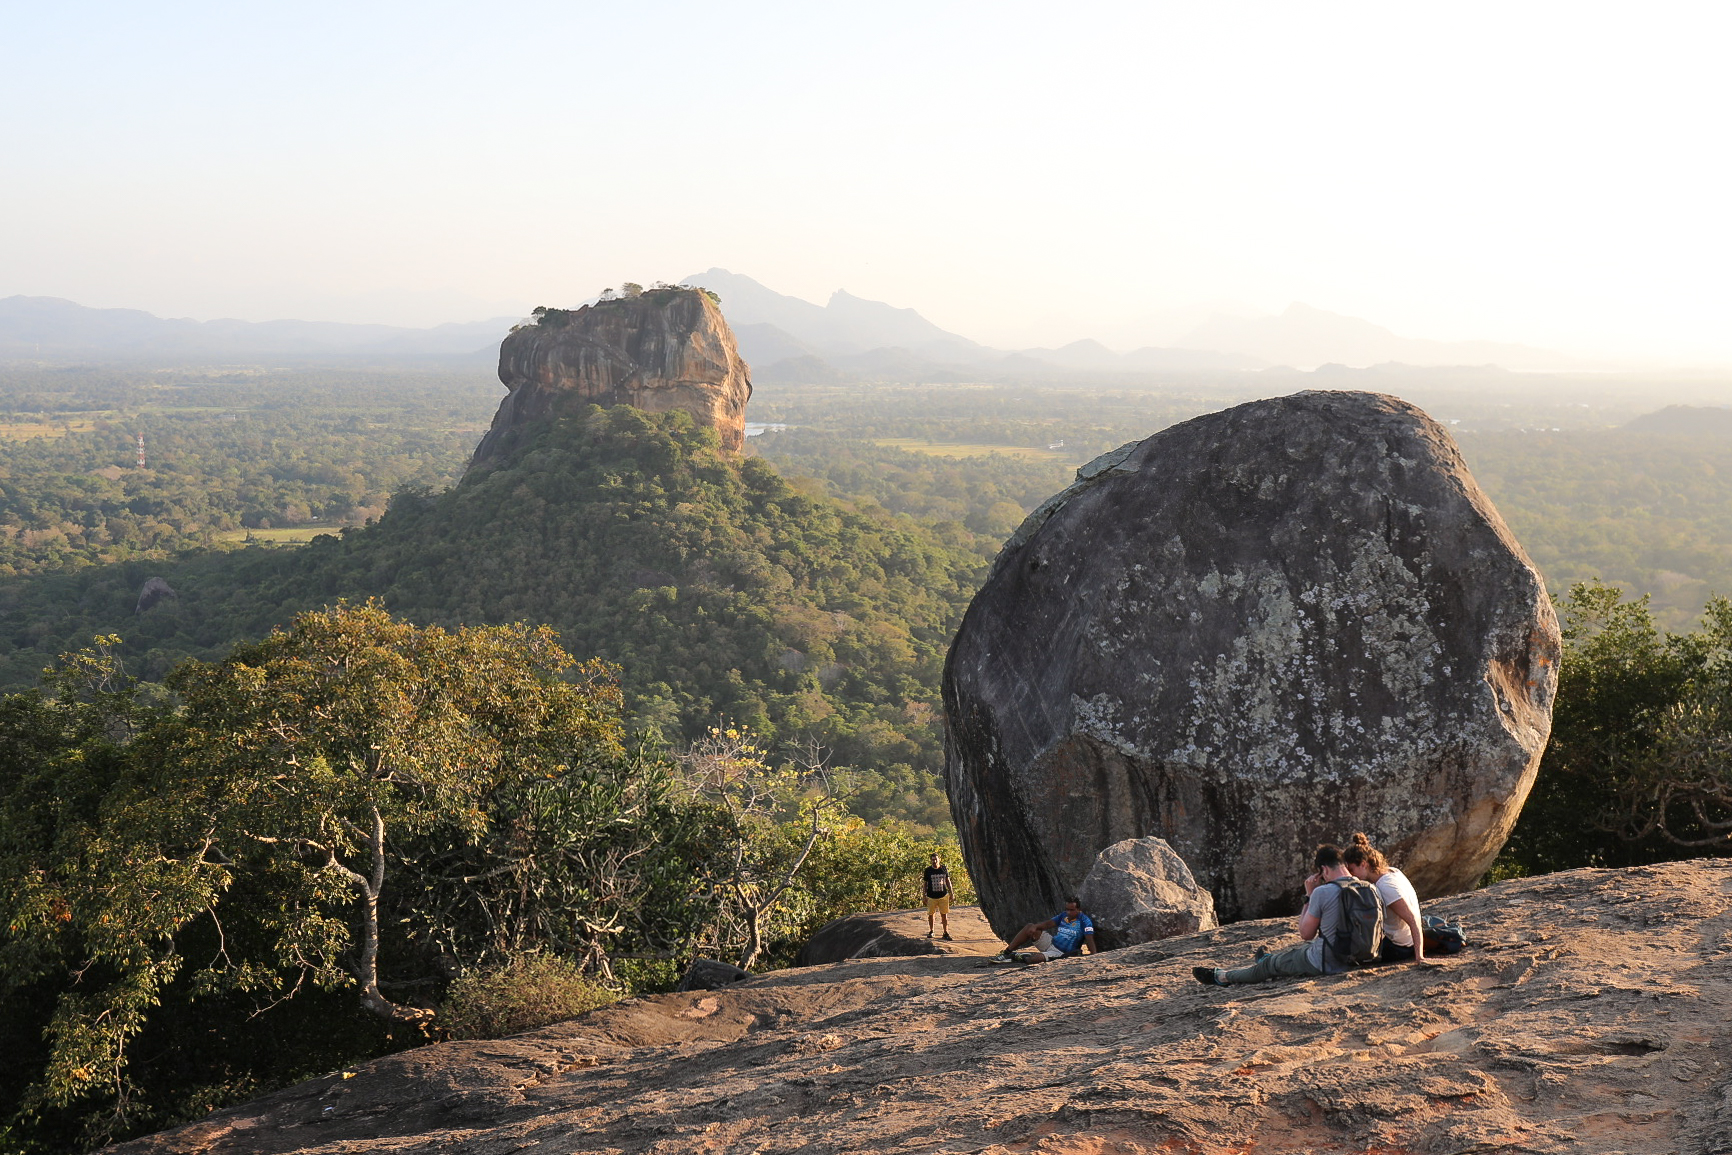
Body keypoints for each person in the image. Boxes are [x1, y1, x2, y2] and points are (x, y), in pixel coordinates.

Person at [1192, 844, 1360, 986]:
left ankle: (1223, 976)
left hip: (1327, 962)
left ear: (1323, 869)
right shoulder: (1368, 887)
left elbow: (1306, 934)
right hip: (1361, 957)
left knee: (1269, 967)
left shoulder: (1323, 892)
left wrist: (1309, 896)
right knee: (1297, 953)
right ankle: (1269, 958)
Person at [1343, 832, 1426, 964]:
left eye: (1352, 870)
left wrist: (1419, 957)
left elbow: (1412, 920)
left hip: (1399, 947)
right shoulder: (1392, 871)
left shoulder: (1386, 887)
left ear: (1363, 864)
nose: (1351, 875)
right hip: (1403, 940)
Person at [994, 897, 1096, 963]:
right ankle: (1007, 952)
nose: (1068, 912)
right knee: (1030, 927)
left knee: (1034, 959)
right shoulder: (1063, 916)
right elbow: (1048, 924)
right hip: (1050, 943)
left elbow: (1089, 939)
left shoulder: (1084, 921)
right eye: (1067, 909)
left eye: (1072, 910)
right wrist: (1035, 927)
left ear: (1078, 909)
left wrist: (1093, 956)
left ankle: (1018, 956)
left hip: (1061, 953)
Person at [923, 853, 954, 940]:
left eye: (936, 859)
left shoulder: (943, 868)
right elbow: (925, 884)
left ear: (939, 859)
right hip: (931, 896)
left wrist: (951, 893)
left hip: (943, 896)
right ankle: (931, 931)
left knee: (944, 915)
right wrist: (924, 896)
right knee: (931, 914)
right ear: (931, 860)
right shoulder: (928, 870)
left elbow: (948, 881)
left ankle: (945, 932)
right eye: (933, 859)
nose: (934, 861)